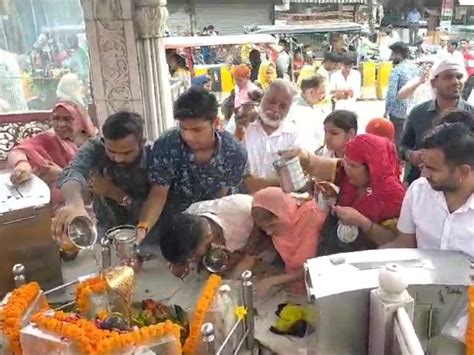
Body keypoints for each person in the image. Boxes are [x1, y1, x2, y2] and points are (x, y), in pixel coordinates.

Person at [137, 88, 248, 243]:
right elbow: (158, 193)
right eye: (183, 128)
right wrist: (143, 228)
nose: (188, 136)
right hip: (173, 226)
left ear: (216, 123)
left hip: (211, 225)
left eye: (197, 130)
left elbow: (222, 200)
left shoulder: (234, 152)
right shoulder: (167, 145)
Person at [283, 133, 406, 255]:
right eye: (346, 161)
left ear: (373, 167)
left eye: (353, 166)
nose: (347, 168)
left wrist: (363, 222)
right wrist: (302, 157)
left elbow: (396, 242)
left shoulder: (393, 195)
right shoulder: (346, 175)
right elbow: (316, 164)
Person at [52, 111, 155, 246]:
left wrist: (114, 193)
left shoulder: (155, 157)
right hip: (106, 228)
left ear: (141, 142)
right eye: (111, 151)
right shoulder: (95, 148)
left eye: (127, 152)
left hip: (149, 231)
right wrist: (75, 204)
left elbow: (158, 207)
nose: (118, 158)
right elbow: (73, 172)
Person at [387, 123, 474, 258]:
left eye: (432, 169)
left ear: (463, 172)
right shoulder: (418, 191)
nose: (424, 174)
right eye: (423, 166)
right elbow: (404, 244)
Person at [8, 100, 95, 208]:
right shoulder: (49, 138)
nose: (61, 124)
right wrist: (22, 164)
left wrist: (62, 175)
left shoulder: (94, 146)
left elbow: (96, 187)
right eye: (56, 119)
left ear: (80, 121)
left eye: (67, 119)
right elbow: (19, 151)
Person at [400, 58, 474, 185]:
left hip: (461, 189)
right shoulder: (418, 113)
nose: (455, 82)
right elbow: (402, 147)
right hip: (422, 185)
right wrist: (411, 155)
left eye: (459, 76)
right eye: (448, 77)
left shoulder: (471, 115)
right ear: (434, 83)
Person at [159, 194, 262, 278]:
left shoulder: (247, 214)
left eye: (193, 257)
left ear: (208, 237)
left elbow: (248, 259)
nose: (192, 260)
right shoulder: (190, 215)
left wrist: (225, 285)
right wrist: (178, 263)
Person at [251, 187, 326, 296]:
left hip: (321, 286)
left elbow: (313, 266)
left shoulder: (311, 217)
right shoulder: (282, 226)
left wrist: (275, 280)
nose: (269, 232)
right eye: (264, 228)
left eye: (272, 225)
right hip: (297, 287)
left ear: (282, 212)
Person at [243, 79, 313, 185]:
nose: (275, 109)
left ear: (289, 109)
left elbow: (303, 174)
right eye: (272, 102)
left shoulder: (296, 134)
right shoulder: (242, 122)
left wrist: (261, 184)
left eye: (283, 106)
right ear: (263, 98)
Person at [384, 42, 419, 147]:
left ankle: (398, 162)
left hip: (398, 113)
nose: (391, 57)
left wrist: (386, 110)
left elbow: (391, 93)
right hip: (413, 110)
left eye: (393, 54)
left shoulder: (397, 70)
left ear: (398, 54)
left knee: (397, 141)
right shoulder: (415, 68)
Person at [288, 75, 327, 151]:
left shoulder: (315, 106)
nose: (323, 96)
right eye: (321, 93)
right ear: (311, 92)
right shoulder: (296, 111)